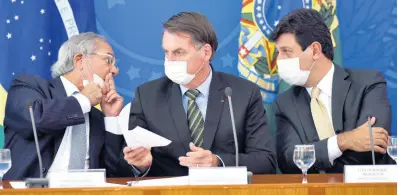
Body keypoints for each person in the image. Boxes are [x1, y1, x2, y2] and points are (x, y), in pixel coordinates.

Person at [118, 12, 276, 177]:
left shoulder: (244, 93)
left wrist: (217, 162)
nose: (170, 60)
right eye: (166, 52)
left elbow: (265, 160)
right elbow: (122, 165)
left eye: (179, 52)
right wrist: (141, 165)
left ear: (205, 52)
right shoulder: (147, 96)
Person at [271, 9, 392, 173]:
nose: (279, 60)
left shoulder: (368, 83)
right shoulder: (285, 103)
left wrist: (316, 155)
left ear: (314, 50)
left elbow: (371, 148)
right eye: (278, 52)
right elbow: (289, 160)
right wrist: (343, 141)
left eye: (286, 51)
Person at [3, 32, 125, 179]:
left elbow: (115, 174)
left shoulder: (98, 117)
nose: (114, 71)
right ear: (80, 60)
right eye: (108, 60)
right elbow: (35, 120)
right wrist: (83, 100)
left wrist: (111, 118)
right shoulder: (27, 86)